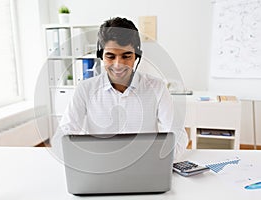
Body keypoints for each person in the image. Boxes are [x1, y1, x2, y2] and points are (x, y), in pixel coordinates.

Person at [52, 17, 188, 159]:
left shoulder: (157, 87)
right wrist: (81, 160)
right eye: (110, 56)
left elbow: (178, 133)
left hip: (145, 164)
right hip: (100, 166)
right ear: (101, 55)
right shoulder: (85, 89)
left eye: (126, 56)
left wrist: (159, 159)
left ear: (136, 56)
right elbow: (62, 135)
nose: (118, 65)